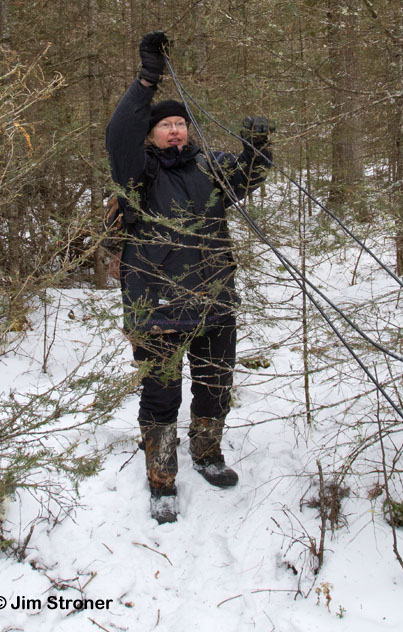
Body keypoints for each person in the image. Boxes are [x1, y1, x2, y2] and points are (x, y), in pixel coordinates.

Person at [105, 32, 273, 524]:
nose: (174, 131)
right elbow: (119, 130)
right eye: (165, 125)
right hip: (156, 308)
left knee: (215, 385)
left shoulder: (209, 166)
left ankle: (207, 454)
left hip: (215, 301)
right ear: (152, 134)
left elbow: (247, 176)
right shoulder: (136, 173)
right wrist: (147, 78)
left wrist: (257, 147)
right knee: (161, 394)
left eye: (180, 124)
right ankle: (161, 480)